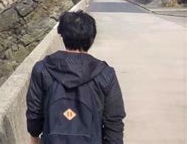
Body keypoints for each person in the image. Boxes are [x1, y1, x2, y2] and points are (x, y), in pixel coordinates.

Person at [26, 11, 125, 143]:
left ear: (63, 36)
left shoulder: (42, 69)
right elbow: (114, 121)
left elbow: (35, 112)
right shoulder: (105, 74)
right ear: (92, 39)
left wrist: (34, 137)